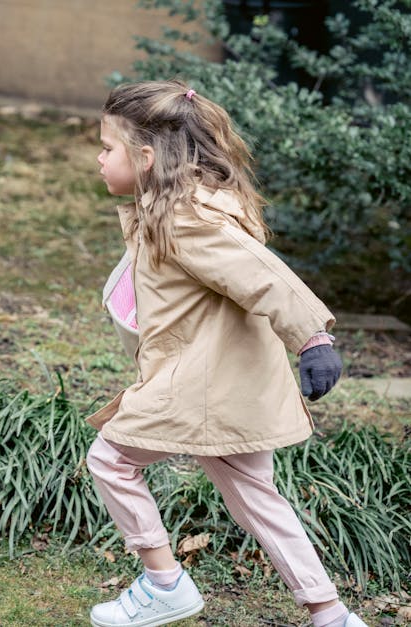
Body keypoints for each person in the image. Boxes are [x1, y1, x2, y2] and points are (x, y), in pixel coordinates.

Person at [84, 80, 364, 627]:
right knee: (259, 500)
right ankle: (331, 615)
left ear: (145, 158)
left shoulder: (188, 218)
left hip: (201, 384)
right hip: (225, 382)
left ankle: (165, 583)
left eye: (107, 147)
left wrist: (312, 337)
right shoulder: (178, 207)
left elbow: (263, 276)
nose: (98, 158)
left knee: (110, 460)